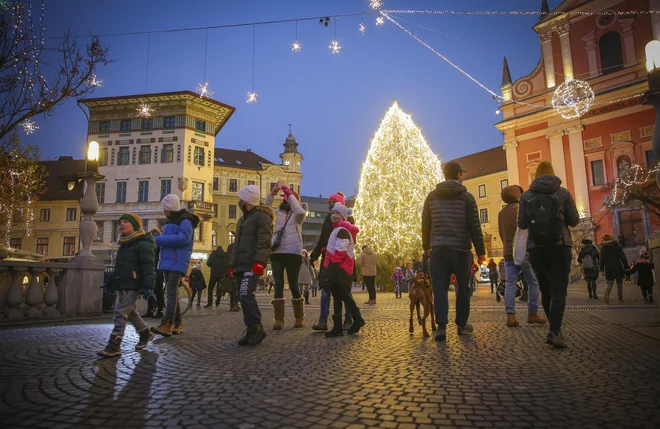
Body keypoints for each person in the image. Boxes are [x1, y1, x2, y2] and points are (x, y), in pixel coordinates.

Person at [422, 161, 486, 342]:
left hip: (439, 250)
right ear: (459, 175)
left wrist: (426, 246)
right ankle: (462, 325)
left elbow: (425, 224)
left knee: (440, 289)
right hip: (460, 250)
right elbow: (474, 226)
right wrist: (480, 251)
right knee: (463, 288)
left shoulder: (432, 197)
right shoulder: (467, 197)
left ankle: (441, 328)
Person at [518, 161, 579, 349]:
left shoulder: (526, 196)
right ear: (552, 174)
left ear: (536, 175)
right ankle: (555, 331)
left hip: (536, 248)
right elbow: (574, 220)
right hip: (560, 245)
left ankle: (553, 330)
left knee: (546, 289)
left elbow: (522, 224)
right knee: (559, 289)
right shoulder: (562, 192)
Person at [98, 213, 156, 357]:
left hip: (134, 284)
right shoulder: (124, 244)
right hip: (123, 283)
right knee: (130, 313)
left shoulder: (143, 243)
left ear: (135, 226)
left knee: (120, 312)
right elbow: (119, 267)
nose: (121, 224)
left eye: (126, 222)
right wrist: (110, 281)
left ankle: (114, 344)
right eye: (120, 223)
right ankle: (145, 333)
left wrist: (148, 285)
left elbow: (148, 266)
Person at [231, 184, 274, 346]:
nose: (239, 201)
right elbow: (237, 243)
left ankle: (257, 327)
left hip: (251, 263)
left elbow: (264, 242)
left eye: (241, 199)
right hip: (241, 263)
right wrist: (232, 263)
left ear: (247, 200)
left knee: (246, 294)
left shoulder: (262, 217)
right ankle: (251, 328)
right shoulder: (243, 219)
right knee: (242, 296)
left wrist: (259, 262)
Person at [497, 184, 546, 327]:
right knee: (533, 281)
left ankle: (510, 316)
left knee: (510, 283)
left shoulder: (501, 213)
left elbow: (501, 233)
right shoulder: (522, 208)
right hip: (524, 250)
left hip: (508, 252)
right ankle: (532, 313)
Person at [150, 194, 199, 337]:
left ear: (169, 209)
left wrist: (158, 239)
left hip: (177, 261)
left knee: (171, 293)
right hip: (168, 261)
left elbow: (182, 239)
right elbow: (171, 239)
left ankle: (167, 323)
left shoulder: (185, 221)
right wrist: (160, 235)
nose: (163, 211)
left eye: (164, 208)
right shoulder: (171, 221)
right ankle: (177, 323)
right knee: (172, 293)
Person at [265, 183, 307, 329]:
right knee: (278, 284)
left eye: (287, 198)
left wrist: (290, 193)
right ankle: (279, 319)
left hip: (293, 252)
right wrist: (272, 194)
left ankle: (299, 317)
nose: (285, 200)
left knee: (294, 284)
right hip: (277, 251)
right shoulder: (277, 212)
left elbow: (301, 213)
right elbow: (265, 211)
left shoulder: (298, 214)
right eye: (284, 198)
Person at [320, 203, 365, 337]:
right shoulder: (337, 229)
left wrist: (330, 271)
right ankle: (339, 326)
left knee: (343, 295)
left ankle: (357, 319)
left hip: (341, 269)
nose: (334, 215)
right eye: (333, 212)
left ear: (343, 216)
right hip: (338, 268)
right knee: (338, 297)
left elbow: (340, 251)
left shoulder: (342, 231)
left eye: (337, 213)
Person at [310, 193, 352, 331]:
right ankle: (323, 320)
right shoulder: (327, 220)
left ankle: (349, 319)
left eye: (334, 202)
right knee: (325, 290)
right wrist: (314, 255)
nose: (331, 204)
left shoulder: (348, 220)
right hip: (328, 259)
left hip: (342, 261)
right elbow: (322, 239)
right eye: (330, 202)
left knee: (344, 291)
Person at [599, 234, 629, 304]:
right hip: (617, 267)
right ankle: (620, 298)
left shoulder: (603, 249)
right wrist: (626, 267)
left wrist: (601, 270)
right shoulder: (617, 247)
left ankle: (607, 292)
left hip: (608, 268)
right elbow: (623, 258)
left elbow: (601, 260)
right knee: (619, 283)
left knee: (610, 283)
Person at [143, 247, 164, 319]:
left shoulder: (159, 247)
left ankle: (160, 311)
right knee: (150, 291)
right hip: (152, 270)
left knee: (158, 292)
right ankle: (150, 311)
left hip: (158, 271)